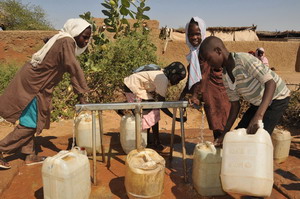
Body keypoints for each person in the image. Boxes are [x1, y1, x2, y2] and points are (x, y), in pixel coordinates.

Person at [0, 18, 92, 169]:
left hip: (36, 83)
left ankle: (29, 155)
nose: (86, 40)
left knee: (30, 121)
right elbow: (73, 67)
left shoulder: (62, 39)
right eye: (84, 36)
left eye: (89, 37)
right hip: (34, 86)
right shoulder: (67, 41)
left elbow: (52, 47)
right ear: (74, 33)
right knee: (31, 124)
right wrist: (82, 95)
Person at [198, 36, 290, 148]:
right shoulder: (225, 75)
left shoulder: (243, 60)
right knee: (238, 135)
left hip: (277, 98)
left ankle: (260, 162)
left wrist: (258, 116)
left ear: (218, 51)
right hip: (258, 102)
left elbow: (271, 83)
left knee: (257, 139)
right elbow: (235, 105)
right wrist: (224, 134)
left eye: (208, 59)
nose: (208, 63)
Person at [180, 17, 231, 140]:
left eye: (197, 34)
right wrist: (183, 94)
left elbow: (203, 75)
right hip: (209, 95)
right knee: (216, 127)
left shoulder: (206, 50)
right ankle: (218, 155)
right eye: (191, 34)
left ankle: (222, 156)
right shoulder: (193, 53)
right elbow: (193, 77)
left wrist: (195, 96)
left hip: (218, 94)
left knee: (221, 127)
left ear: (202, 33)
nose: (194, 37)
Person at [123, 62, 187, 152]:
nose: (177, 82)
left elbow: (158, 102)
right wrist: (175, 118)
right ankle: (152, 142)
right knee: (152, 111)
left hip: (136, 86)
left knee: (153, 111)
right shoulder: (163, 78)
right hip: (132, 87)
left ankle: (152, 141)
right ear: (173, 74)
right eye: (178, 78)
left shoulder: (162, 74)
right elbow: (161, 104)